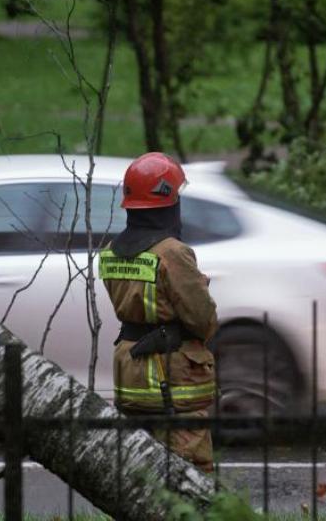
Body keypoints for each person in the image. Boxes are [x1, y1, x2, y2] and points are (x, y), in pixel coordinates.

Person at [99, 152, 218, 471]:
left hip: (131, 372)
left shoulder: (110, 253)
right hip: (172, 377)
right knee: (189, 470)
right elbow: (203, 319)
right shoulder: (173, 253)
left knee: (140, 467)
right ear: (168, 201)